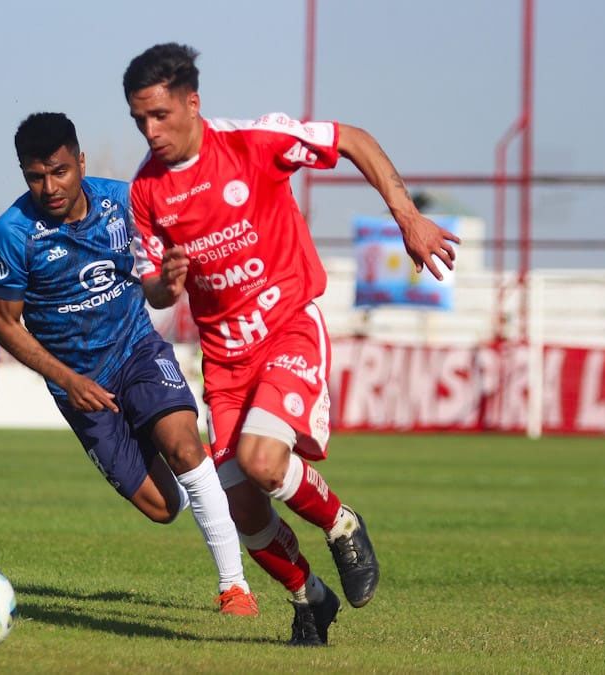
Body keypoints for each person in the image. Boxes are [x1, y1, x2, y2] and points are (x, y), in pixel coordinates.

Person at [123, 43, 460, 646]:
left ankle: (341, 522)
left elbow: (353, 138)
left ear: (192, 103)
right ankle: (310, 597)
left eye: (160, 116)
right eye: (139, 120)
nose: (150, 131)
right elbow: (153, 292)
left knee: (260, 461)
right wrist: (163, 283)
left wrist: (405, 215)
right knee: (244, 509)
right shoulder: (146, 191)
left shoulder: (254, 142)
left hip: (287, 329)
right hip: (225, 361)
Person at [0, 112, 258, 616]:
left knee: (183, 444)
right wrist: (67, 379)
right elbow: (3, 322)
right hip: (78, 386)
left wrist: (168, 284)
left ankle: (234, 588)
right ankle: (197, 486)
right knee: (162, 507)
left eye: (60, 171)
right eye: (35, 177)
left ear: (80, 162)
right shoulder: (12, 233)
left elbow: (154, 292)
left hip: (137, 350)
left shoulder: (124, 203)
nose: (50, 187)